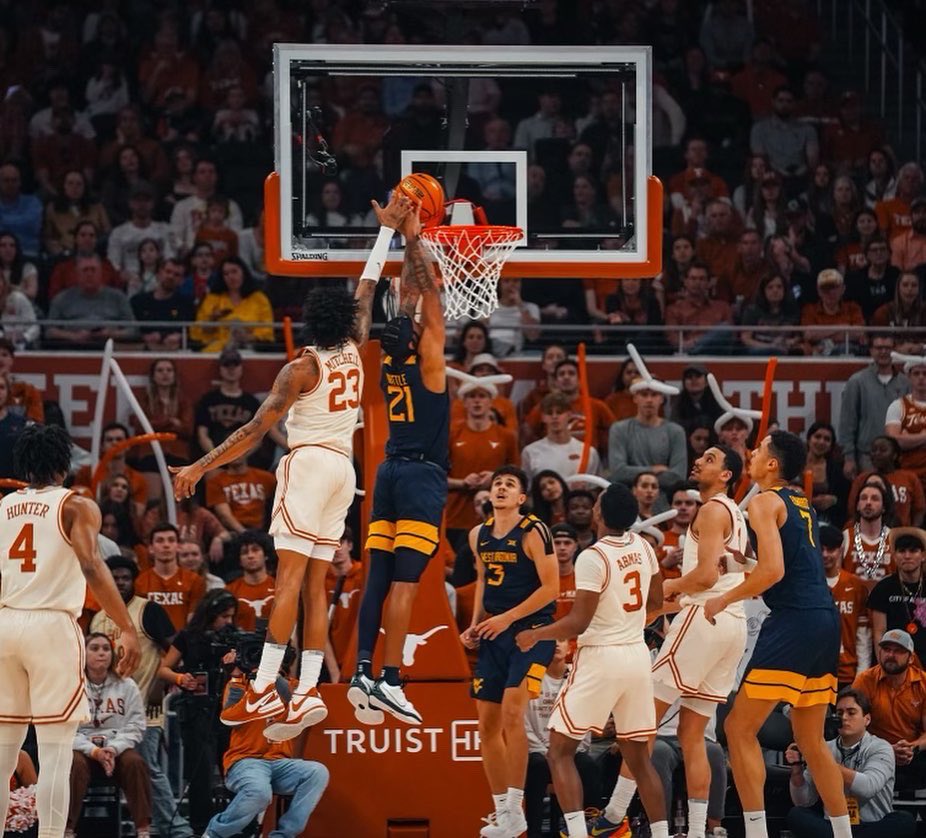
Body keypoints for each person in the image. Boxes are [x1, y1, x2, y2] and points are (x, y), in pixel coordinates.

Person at [171, 192, 413, 740]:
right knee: (314, 587)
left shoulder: (299, 370)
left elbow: (253, 432)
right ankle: (304, 693)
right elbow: (368, 287)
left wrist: (198, 467)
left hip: (307, 467)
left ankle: (260, 688)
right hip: (344, 473)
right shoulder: (355, 345)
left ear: (308, 324)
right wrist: (387, 233)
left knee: (288, 580)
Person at [704, 430, 850, 838]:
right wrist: (746, 561)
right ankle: (843, 833)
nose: (750, 452)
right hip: (824, 618)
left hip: (796, 619)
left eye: (759, 449)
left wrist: (723, 598)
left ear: (772, 465)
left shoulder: (764, 502)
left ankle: (755, 832)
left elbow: (775, 573)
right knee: (811, 739)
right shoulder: (798, 501)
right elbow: (788, 566)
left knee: (737, 728)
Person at [0, 424, 140, 838]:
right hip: (51, 626)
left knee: (4, 753)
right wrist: (126, 627)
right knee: (56, 753)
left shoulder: (4, 507)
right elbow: (92, 565)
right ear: (64, 465)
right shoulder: (76, 506)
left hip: (6, 621)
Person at [515, 482, 670, 838]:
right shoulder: (645, 547)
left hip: (601, 657)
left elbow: (578, 622)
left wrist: (535, 634)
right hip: (636, 656)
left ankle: (578, 834)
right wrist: (628, 623)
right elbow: (657, 604)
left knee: (558, 751)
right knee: (639, 761)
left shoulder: (593, 557)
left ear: (599, 513)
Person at [348, 203, 451, 727]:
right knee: (406, 585)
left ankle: (363, 670)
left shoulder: (388, 362)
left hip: (385, 474)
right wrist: (413, 237)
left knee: (377, 582)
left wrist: (393, 235)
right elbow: (429, 299)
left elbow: (406, 305)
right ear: (416, 343)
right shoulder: (429, 366)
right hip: (419, 478)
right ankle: (390, 681)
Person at [627, 445, 746, 838]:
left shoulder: (712, 510)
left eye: (710, 459)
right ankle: (698, 832)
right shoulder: (735, 513)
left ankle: (611, 816)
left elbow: (707, 578)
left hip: (705, 616)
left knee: (642, 722)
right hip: (732, 623)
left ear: (727, 474)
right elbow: (734, 569)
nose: (698, 461)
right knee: (692, 734)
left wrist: (665, 588)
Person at [459, 466, 559, 838]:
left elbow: (550, 588)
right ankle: (504, 811)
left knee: (513, 714)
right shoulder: (477, 535)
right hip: (494, 633)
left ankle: (517, 805)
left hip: (532, 632)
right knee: (486, 725)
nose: (501, 487)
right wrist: (475, 623)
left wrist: (507, 619)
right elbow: (483, 580)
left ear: (521, 498)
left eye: (510, 485)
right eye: (497, 483)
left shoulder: (534, 530)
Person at [90, 555, 195, 838]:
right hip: (109, 711)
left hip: (144, 708)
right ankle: (158, 825)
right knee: (131, 770)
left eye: (126, 577)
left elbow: (180, 643)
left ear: (134, 579)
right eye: (115, 577)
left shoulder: (147, 610)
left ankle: (178, 829)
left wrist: (161, 679)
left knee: (149, 766)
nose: (121, 582)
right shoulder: (100, 616)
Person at [204, 668, 329, 838]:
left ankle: (283, 835)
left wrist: (273, 676)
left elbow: (293, 700)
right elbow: (229, 718)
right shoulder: (240, 683)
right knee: (260, 792)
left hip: (280, 763)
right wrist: (236, 675)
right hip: (245, 761)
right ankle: (214, 834)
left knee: (317, 772)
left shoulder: (292, 685)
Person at [786, 688, 916, 838]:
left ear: (867, 719)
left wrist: (822, 762)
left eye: (851, 712)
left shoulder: (881, 747)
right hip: (834, 825)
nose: (844, 718)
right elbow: (804, 801)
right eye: (840, 713)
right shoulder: (824, 748)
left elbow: (868, 787)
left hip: (872, 826)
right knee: (797, 814)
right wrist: (796, 769)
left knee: (904, 820)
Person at [67, 633, 151, 838]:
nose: (101, 653)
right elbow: (66, 730)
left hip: (116, 747)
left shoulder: (127, 685)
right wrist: (93, 751)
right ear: (83, 654)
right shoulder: (72, 685)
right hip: (82, 748)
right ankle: (67, 829)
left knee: (136, 763)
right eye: (94, 648)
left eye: (106, 648)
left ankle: (143, 829)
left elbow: (136, 725)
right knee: (72, 764)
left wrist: (113, 748)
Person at [446, 379, 520, 552]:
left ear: (491, 401)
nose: (477, 401)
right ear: (463, 402)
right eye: (471, 396)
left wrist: (495, 479)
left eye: (482, 396)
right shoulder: (451, 434)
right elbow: (435, 477)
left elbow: (518, 476)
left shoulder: (506, 436)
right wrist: (462, 482)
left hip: (498, 516)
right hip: (456, 517)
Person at [852, 630, 926, 793]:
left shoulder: (923, 683)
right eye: (886, 649)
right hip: (873, 753)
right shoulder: (864, 681)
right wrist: (886, 749)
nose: (891, 655)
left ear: (911, 658)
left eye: (898, 651)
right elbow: (852, 729)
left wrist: (912, 747)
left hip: (913, 752)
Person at [838, 334, 910, 478]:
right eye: (878, 348)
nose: (883, 352)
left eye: (888, 348)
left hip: (900, 456)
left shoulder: (906, 383)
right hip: (867, 456)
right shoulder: (857, 382)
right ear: (871, 351)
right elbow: (847, 422)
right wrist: (849, 458)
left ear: (895, 351)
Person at [819, 524, 871, 690]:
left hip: (846, 671)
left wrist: (861, 673)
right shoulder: (806, 584)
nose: (825, 555)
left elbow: (863, 635)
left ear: (841, 550)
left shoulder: (856, 586)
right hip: (814, 670)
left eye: (831, 549)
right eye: (821, 549)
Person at [867, 528, 926, 664]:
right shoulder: (884, 588)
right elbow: (879, 633)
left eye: (913, 551)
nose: (907, 556)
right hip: (894, 661)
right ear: (894, 556)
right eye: (901, 551)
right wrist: (883, 665)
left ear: (923, 556)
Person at [135, 523, 207, 632]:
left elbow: (194, 621)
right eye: (160, 541)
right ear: (150, 548)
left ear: (178, 546)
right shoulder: (139, 582)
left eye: (171, 540)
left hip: (182, 644)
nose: (166, 545)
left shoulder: (195, 581)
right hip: (150, 644)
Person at [521, 390, 601, 482]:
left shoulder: (589, 452)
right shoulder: (530, 452)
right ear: (543, 417)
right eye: (549, 413)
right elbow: (526, 490)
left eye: (559, 412)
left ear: (569, 415)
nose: (554, 416)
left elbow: (595, 488)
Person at [847, 436, 925, 528]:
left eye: (883, 450)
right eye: (874, 450)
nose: (877, 453)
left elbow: (919, 510)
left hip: (901, 535)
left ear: (894, 455)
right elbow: (853, 510)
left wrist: (912, 533)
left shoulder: (909, 477)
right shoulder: (862, 478)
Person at [886, 355, 926, 494]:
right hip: (907, 474)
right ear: (909, 377)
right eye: (916, 373)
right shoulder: (898, 406)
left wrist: (910, 438)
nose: (921, 377)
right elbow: (894, 441)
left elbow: (902, 440)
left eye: (925, 373)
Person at [842, 482, 894, 587]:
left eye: (875, 499)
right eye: (864, 498)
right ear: (857, 505)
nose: (868, 502)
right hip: (853, 599)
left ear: (884, 507)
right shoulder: (845, 537)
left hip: (885, 601)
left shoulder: (894, 538)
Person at [225, 529, 276, 631]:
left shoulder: (279, 587)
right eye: (244, 552)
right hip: (241, 644)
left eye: (255, 550)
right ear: (239, 559)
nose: (250, 556)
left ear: (265, 555)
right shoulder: (229, 590)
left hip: (274, 645)